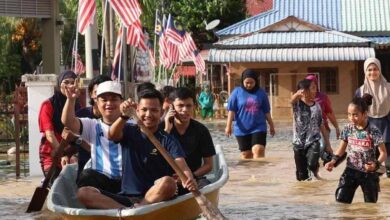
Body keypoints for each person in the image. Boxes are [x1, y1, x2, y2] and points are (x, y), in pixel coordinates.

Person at [102, 88, 197, 208]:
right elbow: (111, 135)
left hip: (157, 197)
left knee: (169, 182)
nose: (148, 114)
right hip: (128, 197)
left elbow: (182, 166)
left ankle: (138, 210)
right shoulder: (128, 131)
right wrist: (124, 116)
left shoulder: (168, 139)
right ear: (137, 110)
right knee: (85, 193)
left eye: (154, 110)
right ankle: (127, 211)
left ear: (161, 112)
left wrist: (188, 179)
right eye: (144, 110)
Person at [61, 81, 124, 208]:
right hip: (102, 181)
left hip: (128, 180)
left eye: (114, 99)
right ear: (97, 102)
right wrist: (71, 100)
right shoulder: (92, 125)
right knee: (84, 190)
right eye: (104, 100)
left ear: (121, 101)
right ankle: (125, 211)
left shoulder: (133, 124)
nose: (109, 104)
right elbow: (68, 122)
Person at [325, 94, 387, 203]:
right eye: (349, 114)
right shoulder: (348, 128)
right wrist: (332, 161)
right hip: (351, 171)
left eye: (355, 115)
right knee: (341, 202)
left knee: (370, 207)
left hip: (369, 173)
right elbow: (341, 149)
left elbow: (383, 153)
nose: (351, 118)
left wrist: (375, 165)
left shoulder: (373, 130)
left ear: (364, 114)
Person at [163, 87, 216, 190]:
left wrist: (191, 177)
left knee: (207, 186)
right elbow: (155, 158)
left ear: (194, 107)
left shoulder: (201, 130)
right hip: (167, 180)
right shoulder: (162, 129)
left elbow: (208, 165)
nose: (185, 110)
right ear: (172, 107)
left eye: (188, 106)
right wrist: (167, 130)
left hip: (194, 178)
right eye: (180, 106)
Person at [38, 70, 80, 183]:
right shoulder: (48, 105)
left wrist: (73, 155)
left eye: (73, 82)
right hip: (51, 154)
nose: (70, 86)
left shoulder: (78, 105)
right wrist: (62, 154)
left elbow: (79, 133)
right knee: (55, 186)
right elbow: (49, 135)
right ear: (59, 84)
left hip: (71, 153)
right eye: (66, 82)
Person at [225, 69, 275, 159]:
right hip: (241, 129)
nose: (249, 85)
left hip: (258, 127)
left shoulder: (261, 93)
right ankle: (249, 173)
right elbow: (231, 110)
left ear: (256, 81)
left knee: (258, 149)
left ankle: (260, 172)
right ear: (242, 81)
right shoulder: (236, 92)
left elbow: (266, 111)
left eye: (251, 82)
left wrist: (271, 125)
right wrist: (228, 126)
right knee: (246, 155)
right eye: (247, 82)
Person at [291, 79, 333, 181]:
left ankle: (316, 167)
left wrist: (328, 145)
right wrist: (297, 94)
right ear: (304, 91)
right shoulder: (297, 104)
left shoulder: (317, 106)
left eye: (316, 88)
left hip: (313, 141)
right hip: (298, 143)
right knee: (302, 176)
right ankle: (307, 192)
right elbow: (291, 100)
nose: (315, 91)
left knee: (311, 164)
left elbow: (321, 125)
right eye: (313, 88)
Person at [355, 57, 390, 178]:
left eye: (375, 69)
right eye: (369, 69)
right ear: (365, 71)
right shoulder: (360, 91)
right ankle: (376, 194)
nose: (372, 72)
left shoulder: (389, 88)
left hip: (387, 127)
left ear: (380, 70)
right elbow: (356, 114)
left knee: (389, 166)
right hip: (368, 129)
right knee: (373, 167)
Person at [74, 74, 111, 178]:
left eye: (105, 94)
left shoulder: (120, 120)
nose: (100, 96)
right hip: (86, 170)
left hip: (109, 172)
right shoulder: (82, 116)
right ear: (91, 94)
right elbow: (69, 133)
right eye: (97, 93)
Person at [305, 75, 340, 155]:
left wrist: (336, 127)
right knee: (312, 155)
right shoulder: (303, 98)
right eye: (308, 85)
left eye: (313, 85)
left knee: (321, 148)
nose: (311, 88)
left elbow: (329, 113)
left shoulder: (322, 97)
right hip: (309, 131)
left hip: (323, 129)